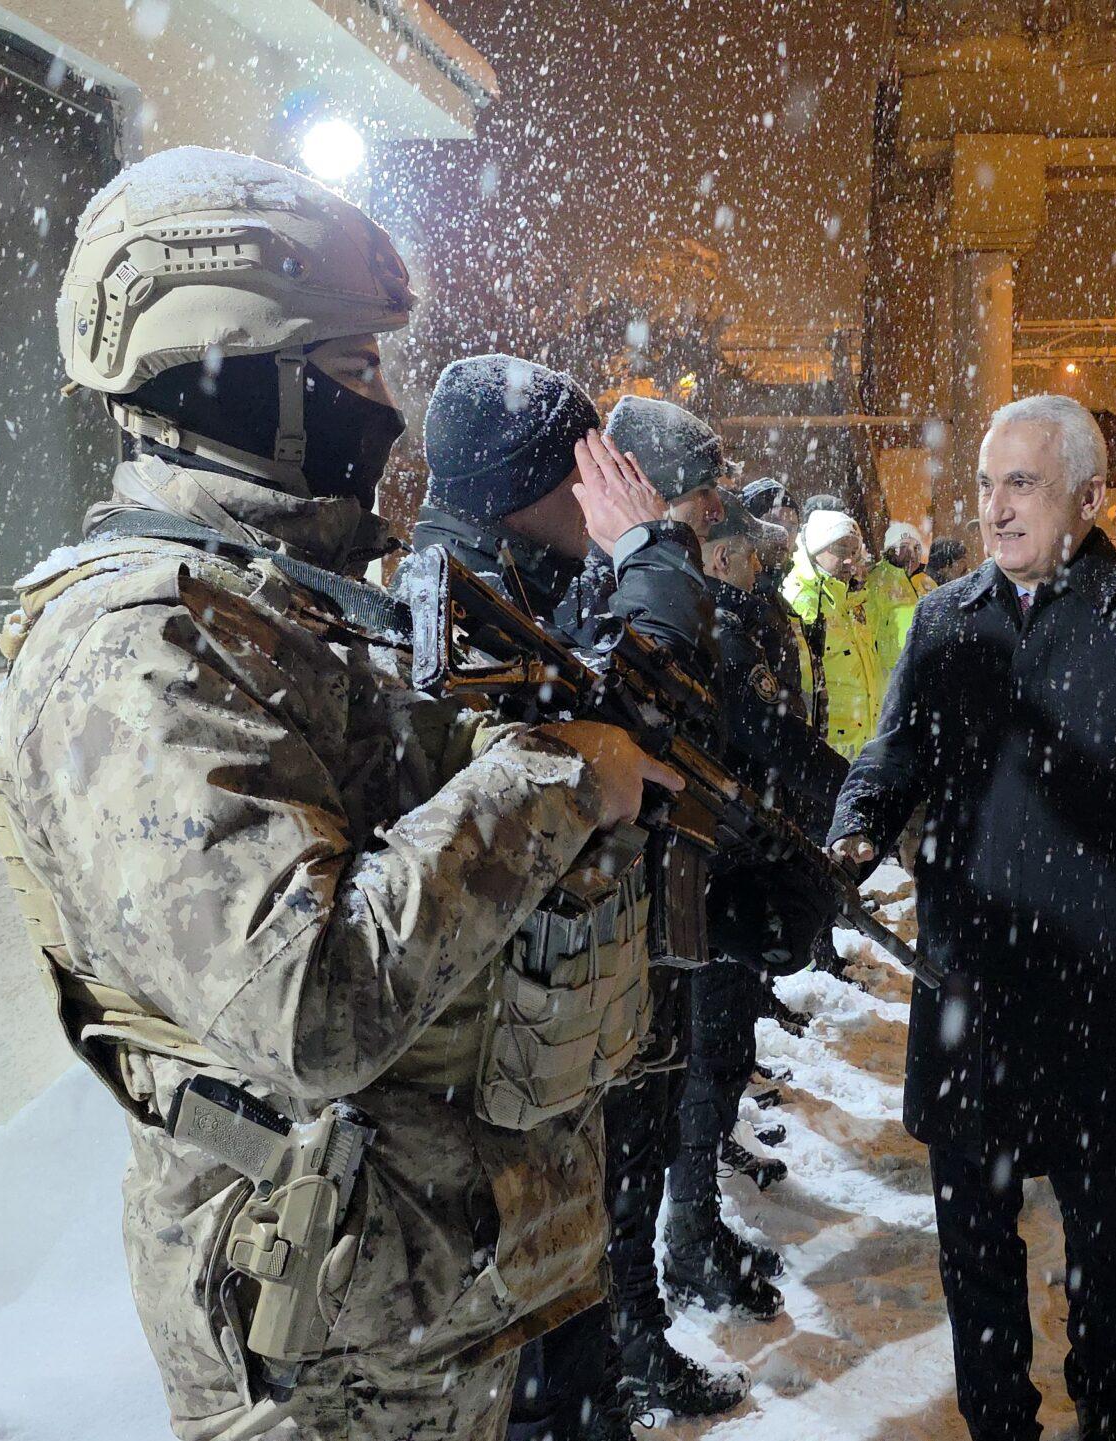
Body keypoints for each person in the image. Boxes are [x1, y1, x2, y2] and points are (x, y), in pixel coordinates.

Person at [0, 147, 675, 1441]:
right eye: (355, 370)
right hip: (316, 1356)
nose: (386, 411)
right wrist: (557, 777)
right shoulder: (136, 647)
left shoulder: (284, 604)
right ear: (234, 370)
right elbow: (308, 1006)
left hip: (421, 1302)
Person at [826, 394, 1116, 1441]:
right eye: (985, 484)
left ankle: (1103, 1407)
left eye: (1023, 483)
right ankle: (998, 1418)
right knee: (973, 1226)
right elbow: (894, 755)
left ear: (1090, 498)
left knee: (1105, 1227)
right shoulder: (944, 618)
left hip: (1097, 988)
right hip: (966, 980)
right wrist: (857, 826)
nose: (996, 508)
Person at [408, 366, 736, 1437]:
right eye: (592, 463)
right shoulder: (456, 599)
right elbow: (634, 719)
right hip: (488, 1100)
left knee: (573, 1355)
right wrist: (649, 557)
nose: (618, 485)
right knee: (546, 1388)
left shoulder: (512, 579)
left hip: (541, 1068)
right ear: (533, 482)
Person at [663, 491, 846, 1322]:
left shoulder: (739, 612)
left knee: (724, 1052)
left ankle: (696, 1226)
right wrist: (852, 794)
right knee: (703, 1061)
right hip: (717, 877)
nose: (749, 553)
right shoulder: (711, 623)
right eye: (735, 540)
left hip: (744, 867)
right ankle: (685, 1243)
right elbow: (771, 733)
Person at [785, 508, 891, 758]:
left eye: (854, 552)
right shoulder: (800, 599)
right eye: (841, 549)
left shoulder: (852, 600)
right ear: (816, 548)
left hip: (863, 747)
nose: (849, 560)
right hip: (829, 751)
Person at [868, 519, 930, 649]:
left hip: (924, 660)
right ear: (889, 550)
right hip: (891, 665)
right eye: (903, 547)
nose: (912, 554)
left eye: (916, 547)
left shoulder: (927, 582)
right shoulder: (874, 580)